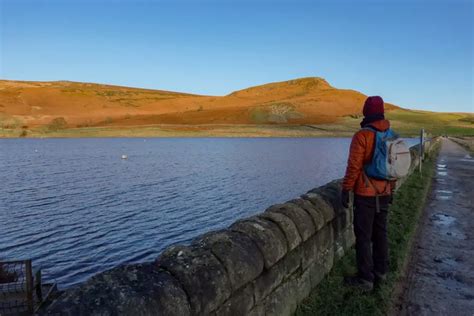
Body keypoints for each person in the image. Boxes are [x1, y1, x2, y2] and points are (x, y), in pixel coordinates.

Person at [341, 96, 395, 291]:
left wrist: (346, 189)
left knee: (363, 236)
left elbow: (354, 167)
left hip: (365, 194)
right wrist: (392, 189)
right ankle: (381, 272)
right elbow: (395, 168)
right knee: (381, 233)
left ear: (366, 112)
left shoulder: (362, 136)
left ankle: (365, 279)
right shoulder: (392, 134)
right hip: (385, 192)